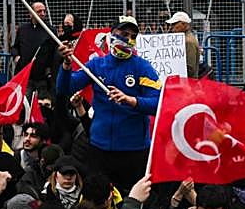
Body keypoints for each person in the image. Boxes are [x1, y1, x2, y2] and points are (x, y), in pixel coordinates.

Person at [56, 17, 160, 193]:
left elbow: (158, 103)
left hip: (133, 150)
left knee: (131, 199)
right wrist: (66, 64)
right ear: (111, 35)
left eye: (133, 36)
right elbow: (65, 87)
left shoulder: (143, 67)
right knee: (99, 198)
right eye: (123, 34)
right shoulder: (97, 64)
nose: (128, 39)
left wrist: (131, 100)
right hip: (99, 148)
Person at [166, 11, 201, 79]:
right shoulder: (184, 39)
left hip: (188, 83)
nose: (172, 27)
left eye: (175, 24)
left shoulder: (188, 41)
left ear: (184, 24)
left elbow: (190, 68)